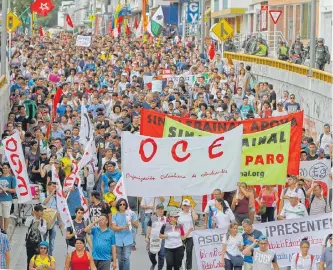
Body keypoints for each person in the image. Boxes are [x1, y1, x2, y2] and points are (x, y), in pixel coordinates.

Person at [111, 198, 138, 270]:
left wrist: (131, 221)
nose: (122, 206)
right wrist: (123, 227)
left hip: (128, 239)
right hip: (118, 239)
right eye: (120, 204)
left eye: (124, 204)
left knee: (126, 258)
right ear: (118, 205)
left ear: (126, 205)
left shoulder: (131, 214)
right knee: (120, 259)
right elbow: (114, 227)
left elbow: (137, 226)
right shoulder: (115, 215)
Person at [39, 181, 62, 255]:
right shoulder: (43, 194)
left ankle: (50, 254)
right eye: (53, 186)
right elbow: (44, 202)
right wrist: (51, 194)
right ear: (48, 187)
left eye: (55, 187)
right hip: (45, 219)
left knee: (52, 239)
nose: (54, 188)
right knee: (43, 238)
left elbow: (58, 209)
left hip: (54, 220)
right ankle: (42, 254)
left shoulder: (57, 197)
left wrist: (60, 221)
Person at [178, 199, 198, 270]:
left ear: (189, 206)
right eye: (184, 205)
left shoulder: (191, 213)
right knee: (180, 251)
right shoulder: (179, 214)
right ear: (182, 206)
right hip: (182, 235)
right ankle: (179, 264)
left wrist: (192, 210)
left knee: (189, 251)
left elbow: (196, 218)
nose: (186, 207)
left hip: (190, 235)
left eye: (187, 205)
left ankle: (188, 267)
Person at [25, 204, 47, 270]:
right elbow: (27, 225)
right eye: (41, 211)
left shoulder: (43, 221)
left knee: (38, 260)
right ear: (36, 211)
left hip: (39, 244)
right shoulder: (30, 219)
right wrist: (34, 220)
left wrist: (39, 225)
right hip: (30, 244)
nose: (42, 212)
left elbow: (44, 231)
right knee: (30, 260)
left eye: (42, 211)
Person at [145, 203, 167, 270]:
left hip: (162, 239)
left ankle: (160, 268)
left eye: (162, 209)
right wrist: (146, 237)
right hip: (153, 239)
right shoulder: (153, 218)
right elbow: (149, 228)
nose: (160, 210)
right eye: (159, 209)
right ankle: (154, 262)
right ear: (156, 210)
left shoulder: (165, 219)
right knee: (151, 254)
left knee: (162, 255)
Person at [0, 162, 16, 232]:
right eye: (3, 168)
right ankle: (1, 229)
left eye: (6, 168)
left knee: (6, 215)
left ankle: (5, 231)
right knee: (0, 215)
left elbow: (14, 190)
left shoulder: (12, 178)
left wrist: (7, 189)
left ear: (9, 169)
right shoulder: (0, 177)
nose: (4, 169)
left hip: (7, 199)